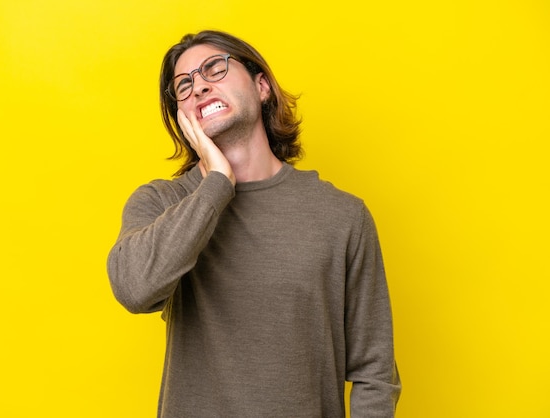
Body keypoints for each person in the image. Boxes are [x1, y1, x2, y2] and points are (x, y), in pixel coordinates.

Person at [107, 30, 401, 417]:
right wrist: (216, 184)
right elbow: (133, 289)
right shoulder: (162, 203)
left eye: (214, 69)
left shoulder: (341, 215)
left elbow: (375, 373)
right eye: (184, 85)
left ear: (261, 86)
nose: (198, 87)